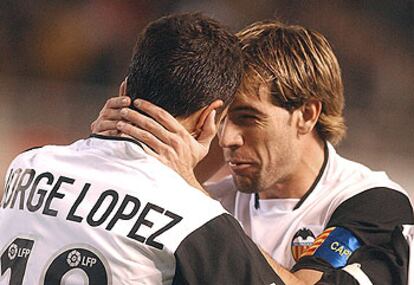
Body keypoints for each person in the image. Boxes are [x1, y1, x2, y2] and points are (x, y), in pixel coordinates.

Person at [92, 20, 414, 284]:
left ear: (306, 115)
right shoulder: (208, 201)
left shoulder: (373, 203)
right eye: (223, 118)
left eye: (248, 118)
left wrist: (190, 197)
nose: (227, 138)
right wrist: (106, 155)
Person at [0, 14, 285, 285]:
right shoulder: (194, 218)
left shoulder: (28, 166)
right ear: (208, 118)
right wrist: (192, 188)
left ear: (123, 92)